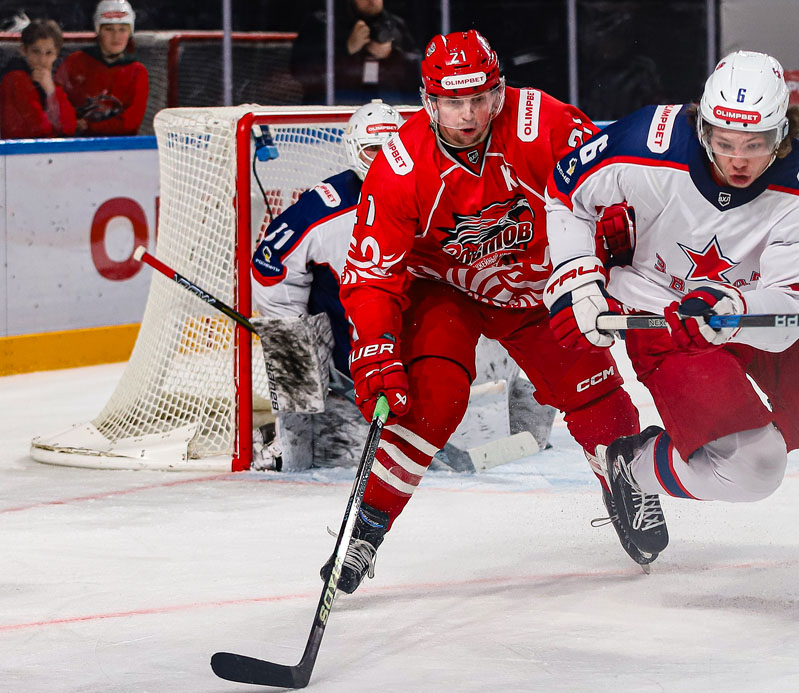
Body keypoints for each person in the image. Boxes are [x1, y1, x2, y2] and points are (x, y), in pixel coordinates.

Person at [543, 50, 799, 611]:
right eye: (723, 142)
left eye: (756, 144)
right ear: (702, 126)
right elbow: (566, 191)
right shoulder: (647, 141)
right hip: (665, 312)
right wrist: (576, 277)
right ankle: (632, 467)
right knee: (754, 469)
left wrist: (735, 305)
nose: (738, 160)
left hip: (764, 315)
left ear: (783, 132)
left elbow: (792, 309)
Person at [326, 29, 667, 593]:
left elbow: (612, 186)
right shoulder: (401, 165)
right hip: (447, 291)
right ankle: (368, 526)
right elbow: (371, 275)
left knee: (596, 397)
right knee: (430, 402)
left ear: (499, 92)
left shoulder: (544, 123)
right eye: (452, 102)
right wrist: (376, 349)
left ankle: (623, 478)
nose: (467, 115)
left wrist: (613, 239)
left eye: (479, 98)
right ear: (428, 101)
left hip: (539, 287)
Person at [250, 99, 556, 472]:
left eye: (389, 148)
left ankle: (502, 406)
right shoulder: (323, 209)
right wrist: (305, 357)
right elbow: (269, 268)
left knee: (503, 319)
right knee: (287, 340)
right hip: (359, 354)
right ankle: (291, 442)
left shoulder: (446, 186)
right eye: (372, 150)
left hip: (435, 338)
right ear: (353, 150)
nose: (382, 160)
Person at [290, 0, 420, 106]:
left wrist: (393, 55)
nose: (372, 1)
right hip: (337, 105)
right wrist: (346, 49)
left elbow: (418, 75)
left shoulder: (395, 26)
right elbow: (301, 72)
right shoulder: (324, 24)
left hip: (387, 106)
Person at [55, 0, 148, 136]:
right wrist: (72, 122)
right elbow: (55, 98)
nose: (116, 36)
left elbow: (130, 122)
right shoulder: (75, 61)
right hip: (75, 141)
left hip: (120, 145)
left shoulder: (138, 72)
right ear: (98, 31)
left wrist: (89, 126)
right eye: (109, 29)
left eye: (122, 29)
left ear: (130, 33)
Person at [0, 18, 77, 139]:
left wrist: (51, 90)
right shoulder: (14, 78)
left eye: (49, 53)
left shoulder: (50, 80)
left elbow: (69, 127)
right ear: (23, 50)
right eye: (36, 52)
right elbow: (38, 130)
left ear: (56, 54)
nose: (42, 60)